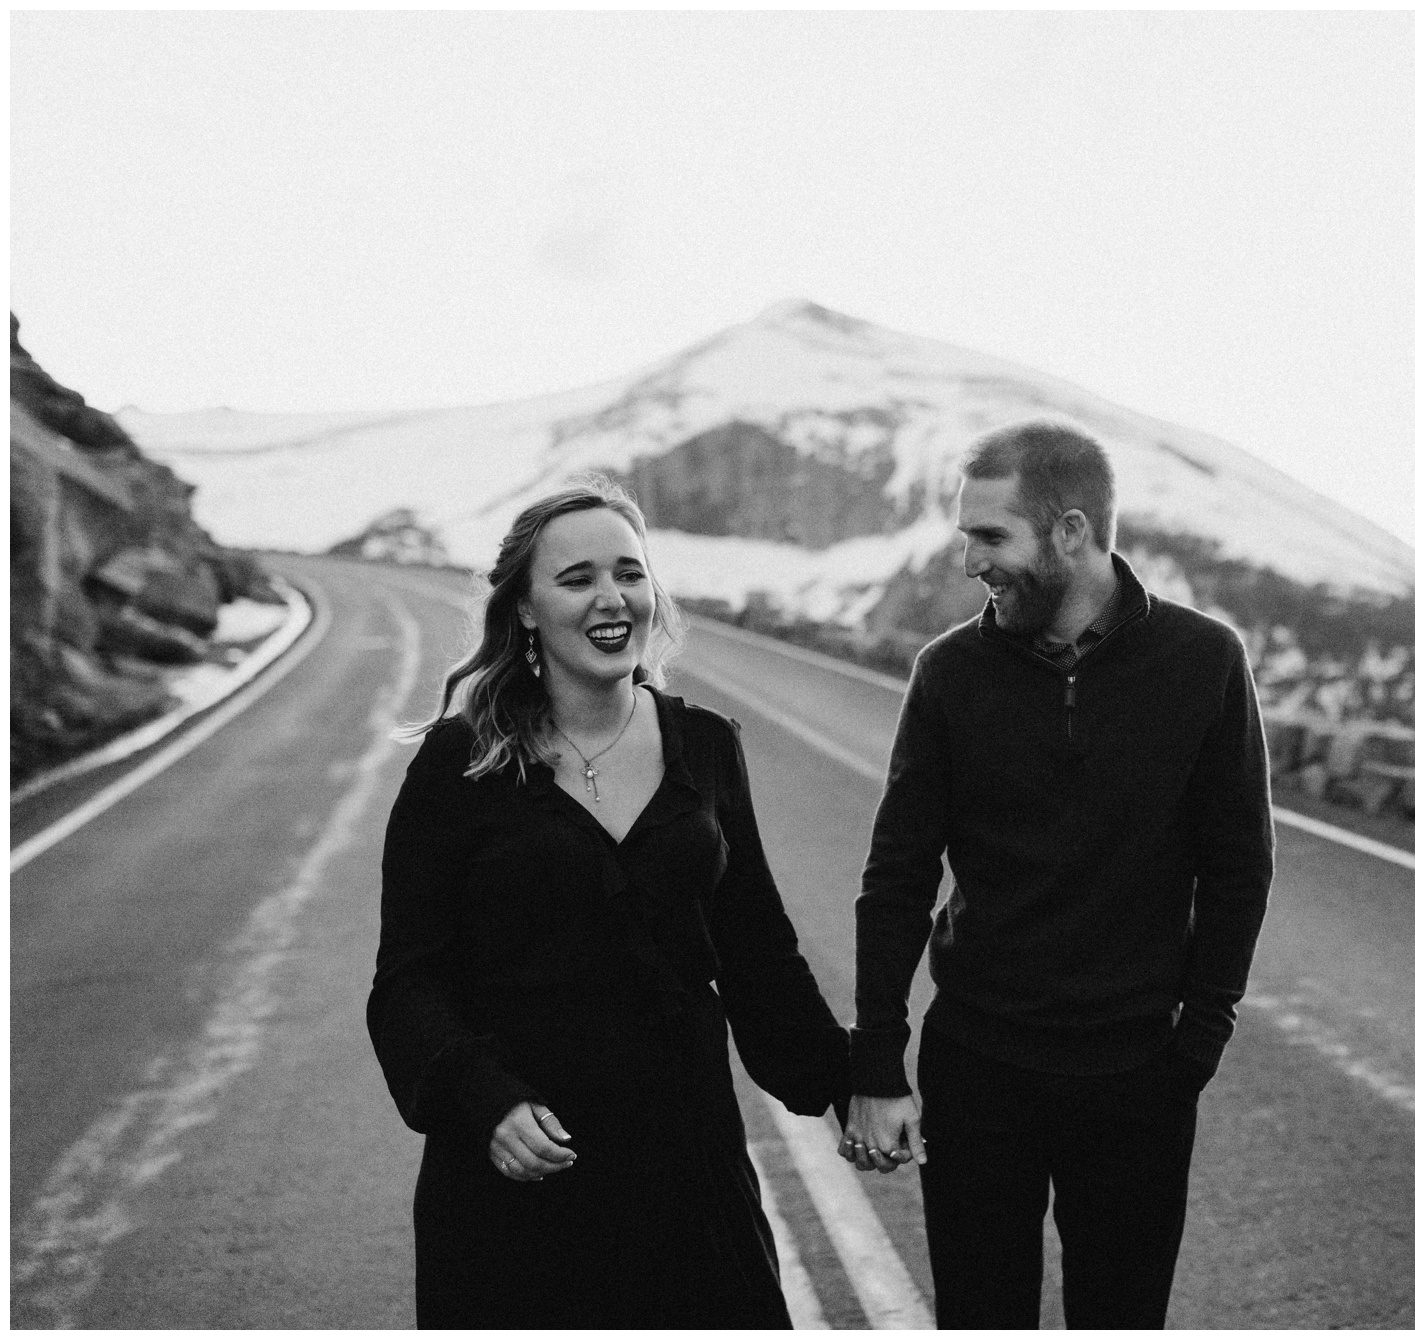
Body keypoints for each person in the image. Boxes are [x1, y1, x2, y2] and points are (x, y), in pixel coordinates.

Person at [367, 477, 849, 1328]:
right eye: (578, 578)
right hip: (523, 1175)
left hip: (686, 1166)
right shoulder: (460, 764)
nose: (612, 597)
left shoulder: (706, 746)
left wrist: (856, 1081)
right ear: (525, 608)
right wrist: (483, 1101)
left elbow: (758, 955)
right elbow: (407, 982)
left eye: (630, 573)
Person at [842, 419, 1275, 1328]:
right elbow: (899, 875)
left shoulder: (1203, 662)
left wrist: (1197, 1045)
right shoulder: (949, 673)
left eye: (990, 536)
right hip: (977, 1068)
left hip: (1137, 1075)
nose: (971, 562)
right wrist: (878, 1060)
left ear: (1071, 531)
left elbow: (1239, 866)